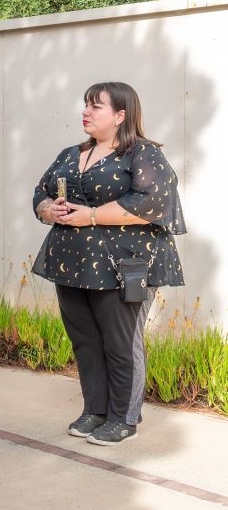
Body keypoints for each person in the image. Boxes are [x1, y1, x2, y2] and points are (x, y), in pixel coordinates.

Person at [32, 81, 185, 445]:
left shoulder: (141, 153)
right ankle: (95, 410)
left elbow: (152, 202)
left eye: (96, 106)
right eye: (86, 104)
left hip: (123, 266)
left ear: (120, 115)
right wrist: (46, 209)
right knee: (84, 340)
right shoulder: (71, 153)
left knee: (121, 342)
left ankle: (124, 417)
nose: (86, 111)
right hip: (72, 264)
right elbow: (41, 191)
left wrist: (93, 216)